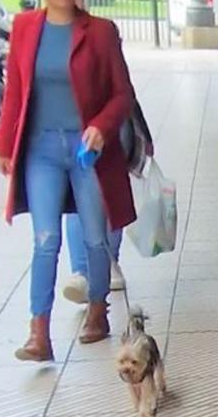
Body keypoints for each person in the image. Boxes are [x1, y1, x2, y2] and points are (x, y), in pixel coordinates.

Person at [0, 0, 137, 361]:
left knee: (95, 236)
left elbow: (121, 94)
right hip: (40, 149)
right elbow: (15, 92)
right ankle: (39, 333)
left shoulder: (100, 31)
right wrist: (5, 145)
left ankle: (98, 308)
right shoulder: (24, 28)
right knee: (45, 238)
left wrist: (100, 127)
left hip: (86, 151)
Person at [63, 97, 153, 302]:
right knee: (79, 196)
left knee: (109, 191)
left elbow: (120, 85)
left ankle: (107, 261)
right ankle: (82, 270)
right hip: (73, 120)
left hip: (111, 118)